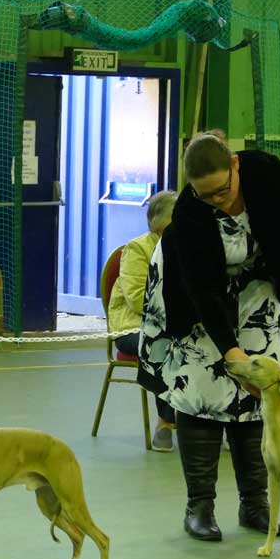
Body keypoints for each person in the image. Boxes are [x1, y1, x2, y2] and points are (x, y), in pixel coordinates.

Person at [138, 130, 280, 541]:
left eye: (223, 190)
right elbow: (203, 295)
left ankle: (255, 505)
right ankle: (199, 507)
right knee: (203, 390)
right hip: (195, 297)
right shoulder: (190, 215)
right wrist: (232, 355)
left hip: (258, 284)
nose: (217, 200)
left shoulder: (267, 174)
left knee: (259, 391)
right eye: (205, 195)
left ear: (235, 165)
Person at [108, 190, 179, 451]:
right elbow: (138, 298)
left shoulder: (191, 246)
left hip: (176, 324)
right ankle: (166, 422)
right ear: (160, 223)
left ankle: (217, 421)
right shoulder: (137, 249)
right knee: (164, 345)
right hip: (133, 328)